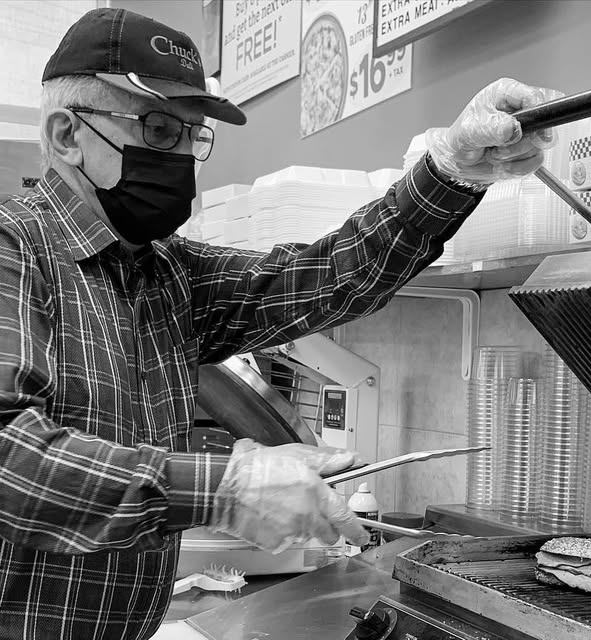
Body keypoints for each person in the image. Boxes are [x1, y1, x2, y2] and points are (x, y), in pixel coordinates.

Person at [0, 7, 558, 640]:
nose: (182, 157)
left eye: (193, 136)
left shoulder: (165, 273)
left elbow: (323, 276)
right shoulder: (14, 252)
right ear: (67, 135)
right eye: (158, 129)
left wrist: (451, 171)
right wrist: (229, 488)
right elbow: (10, 461)